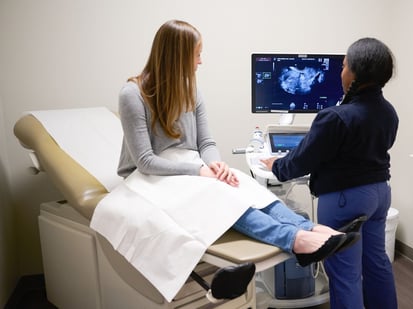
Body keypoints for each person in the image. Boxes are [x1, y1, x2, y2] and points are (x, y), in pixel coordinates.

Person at [116, 19, 359, 270]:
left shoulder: (191, 90)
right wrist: (200, 171)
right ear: (177, 57)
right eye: (196, 55)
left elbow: (206, 142)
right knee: (221, 197)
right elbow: (144, 161)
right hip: (148, 176)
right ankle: (295, 240)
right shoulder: (133, 95)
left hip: (187, 166)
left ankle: (312, 228)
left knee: (244, 185)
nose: (200, 62)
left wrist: (216, 165)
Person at [262, 37, 399, 308]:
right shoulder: (388, 112)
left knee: (344, 274)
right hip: (380, 194)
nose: (341, 71)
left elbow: (301, 161)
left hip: (344, 201)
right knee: (377, 262)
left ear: (355, 73)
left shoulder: (336, 117)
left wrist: (275, 165)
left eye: (345, 65)